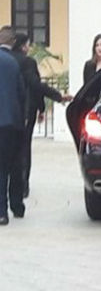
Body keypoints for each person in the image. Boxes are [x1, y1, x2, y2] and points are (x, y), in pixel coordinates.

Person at [11, 33, 73, 198]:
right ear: (24, 46)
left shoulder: (5, 59)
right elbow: (35, 85)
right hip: (25, 111)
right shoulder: (28, 62)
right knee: (24, 148)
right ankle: (23, 185)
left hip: (6, 112)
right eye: (28, 45)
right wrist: (51, 101)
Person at [0, 26, 26, 225]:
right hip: (10, 123)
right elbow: (21, 94)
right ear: (13, 42)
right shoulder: (13, 63)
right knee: (9, 166)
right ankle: (12, 207)